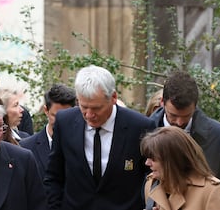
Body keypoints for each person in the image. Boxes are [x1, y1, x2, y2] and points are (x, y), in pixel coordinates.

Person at [44, 65, 156, 210]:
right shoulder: (65, 122)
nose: (89, 114)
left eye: (96, 108)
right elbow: (54, 175)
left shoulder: (140, 127)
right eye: (83, 107)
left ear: (113, 97)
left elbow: (152, 176)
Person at [149, 70, 220, 210]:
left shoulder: (217, 136)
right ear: (162, 102)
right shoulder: (144, 131)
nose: (179, 122)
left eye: (186, 115)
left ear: (195, 106)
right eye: (173, 115)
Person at [141, 126, 220, 210]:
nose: (147, 163)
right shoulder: (151, 184)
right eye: (147, 158)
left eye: (153, 159)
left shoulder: (210, 191)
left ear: (173, 160)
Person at [20, 84, 76, 179]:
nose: (61, 121)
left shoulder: (83, 143)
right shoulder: (26, 147)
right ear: (46, 110)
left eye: (66, 116)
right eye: (56, 116)